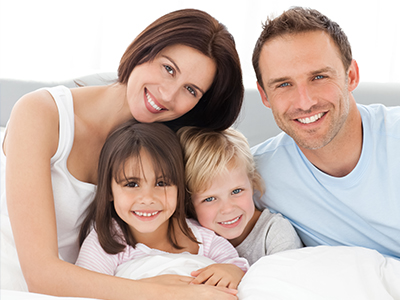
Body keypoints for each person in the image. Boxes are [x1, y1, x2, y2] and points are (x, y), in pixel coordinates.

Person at [1, 8, 244, 299]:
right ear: (144, 48)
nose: (168, 95)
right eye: (168, 68)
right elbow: (40, 276)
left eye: (190, 90)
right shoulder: (41, 113)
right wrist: (160, 292)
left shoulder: (160, 149)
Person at [251, 7, 400, 259]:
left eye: (319, 76)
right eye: (284, 84)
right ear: (265, 95)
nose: (304, 102)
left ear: (351, 76)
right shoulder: (255, 176)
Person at [76, 120, 248, 289]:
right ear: (109, 191)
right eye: (131, 184)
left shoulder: (202, 238)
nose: (148, 198)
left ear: (179, 187)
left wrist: (232, 271)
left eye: (161, 183)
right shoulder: (107, 241)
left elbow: (237, 268)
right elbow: (85, 289)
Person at [178, 126, 302, 265]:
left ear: (253, 182)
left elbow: (286, 283)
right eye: (210, 199)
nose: (228, 209)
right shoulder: (193, 239)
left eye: (236, 191)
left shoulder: (275, 233)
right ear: (188, 203)